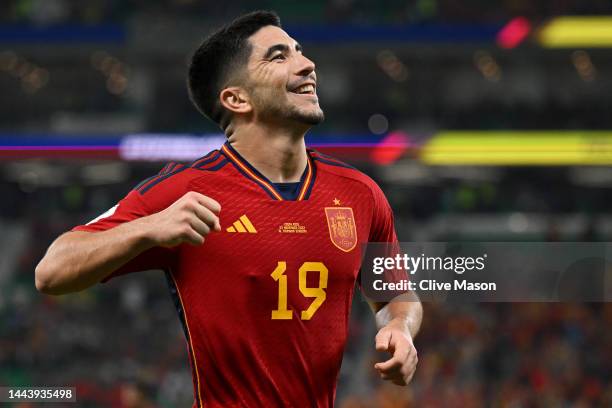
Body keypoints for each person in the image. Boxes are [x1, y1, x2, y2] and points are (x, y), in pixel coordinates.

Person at [35, 10, 422, 407]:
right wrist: (149, 227)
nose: (307, 65)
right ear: (236, 98)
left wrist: (400, 327)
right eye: (278, 56)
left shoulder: (360, 194)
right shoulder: (184, 190)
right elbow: (51, 271)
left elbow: (396, 296)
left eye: (300, 51)